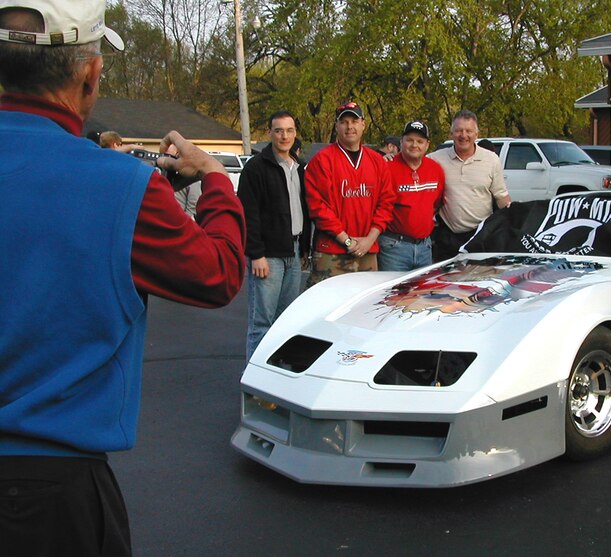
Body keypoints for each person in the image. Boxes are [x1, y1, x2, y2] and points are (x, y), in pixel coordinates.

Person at [0, 2, 246, 556]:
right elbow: (219, 273)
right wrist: (213, 179)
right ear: (90, 72)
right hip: (54, 495)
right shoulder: (121, 186)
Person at [238, 110, 310, 360]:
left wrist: (305, 249)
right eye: (278, 130)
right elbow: (248, 213)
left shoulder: (298, 167)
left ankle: (276, 378)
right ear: (270, 133)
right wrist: (255, 254)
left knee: (285, 322)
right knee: (262, 322)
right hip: (267, 256)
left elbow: (304, 209)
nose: (284, 135)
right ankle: (256, 387)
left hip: (294, 250)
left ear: (295, 133)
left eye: (289, 130)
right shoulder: (256, 168)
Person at [305, 101, 395, 285]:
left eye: (354, 121)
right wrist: (346, 240)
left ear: (363, 124)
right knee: (328, 308)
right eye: (344, 121)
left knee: (365, 309)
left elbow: (386, 203)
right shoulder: (322, 160)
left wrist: (370, 239)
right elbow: (318, 207)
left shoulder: (377, 161)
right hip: (332, 251)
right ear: (337, 126)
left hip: (368, 251)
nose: (349, 126)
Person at [428, 109, 511, 261]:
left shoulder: (491, 159)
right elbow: (411, 163)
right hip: (447, 239)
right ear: (451, 133)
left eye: (468, 131)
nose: (463, 135)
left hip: (481, 236)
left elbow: (501, 197)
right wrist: (388, 158)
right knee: (449, 283)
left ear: (476, 134)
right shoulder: (435, 159)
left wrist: (513, 221)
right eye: (459, 130)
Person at [378, 120, 445, 272]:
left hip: (424, 248)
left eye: (420, 141)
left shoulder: (435, 169)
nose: (414, 145)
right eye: (409, 140)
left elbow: (437, 203)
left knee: (421, 294)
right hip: (394, 247)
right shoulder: (387, 167)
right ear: (401, 142)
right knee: (394, 294)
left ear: (427, 145)